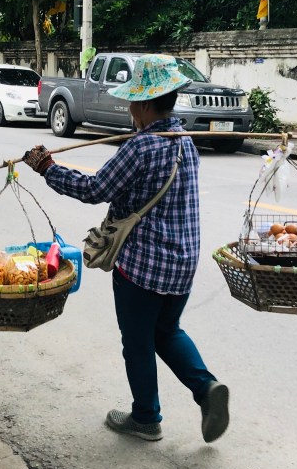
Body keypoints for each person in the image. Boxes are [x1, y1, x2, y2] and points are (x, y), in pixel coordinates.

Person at [23, 54, 229, 444]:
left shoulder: (142, 147)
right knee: (167, 330)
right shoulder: (185, 143)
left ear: (147, 105)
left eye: (134, 102)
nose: (130, 109)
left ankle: (146, 418)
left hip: (143, 266)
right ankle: (206, 388)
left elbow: (94, 189)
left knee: (137, 341)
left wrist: (47, 168)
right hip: (183, 263)